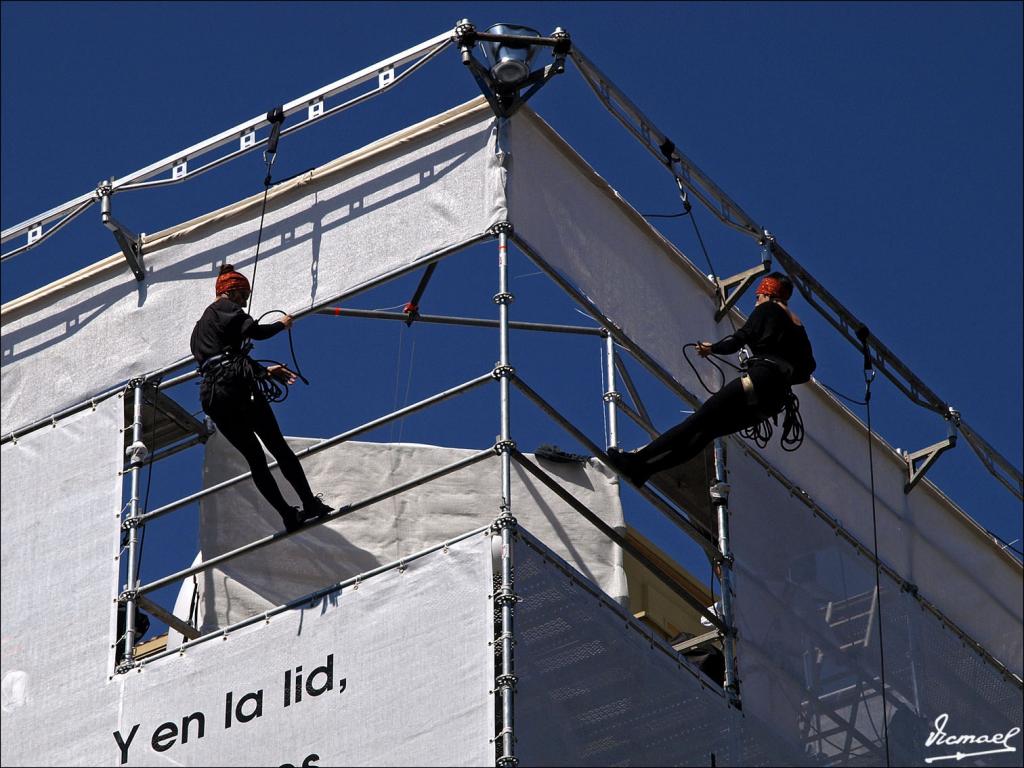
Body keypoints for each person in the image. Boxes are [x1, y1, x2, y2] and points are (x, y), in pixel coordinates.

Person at [608, 272, 815, 487]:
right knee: (707, 433)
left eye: (757, 297)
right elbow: (807, 369)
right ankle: (645, 470)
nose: (756, 303)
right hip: (773, 401)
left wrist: (711, 349)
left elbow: (737, 340)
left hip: (759, 379)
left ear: (766, 293)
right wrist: (782, 374)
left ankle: (636, 461)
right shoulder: (798, 326)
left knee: (697, 422)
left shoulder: (767, 309)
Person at [190, 264, 333, 532]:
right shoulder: (225, 309)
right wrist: (282, 324)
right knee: (277, 447)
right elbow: (256, 333)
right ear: (231, 292)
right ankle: (308, 503)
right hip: (236, 387)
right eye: (244, 295)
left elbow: (223, 359)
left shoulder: (199, 329)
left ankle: (288, 515)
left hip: (212, 395)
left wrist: (265, 371)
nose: (244, 303)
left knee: (255, 459)